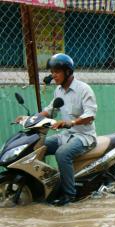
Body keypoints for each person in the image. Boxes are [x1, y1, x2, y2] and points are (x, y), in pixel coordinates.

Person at [17, 53, 98, 206]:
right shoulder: (59, 91)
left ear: (67, 72)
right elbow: (50, 110)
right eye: (52, 72)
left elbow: (90, 115)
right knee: (37, 146)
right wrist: (28, 119)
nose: (53, 75)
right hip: (65, 135)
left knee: (62, 154)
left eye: (57, 72)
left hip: (84, 136)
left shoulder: (84, 89)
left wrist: (70, 122)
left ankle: (69, 195)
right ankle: (45, 185)